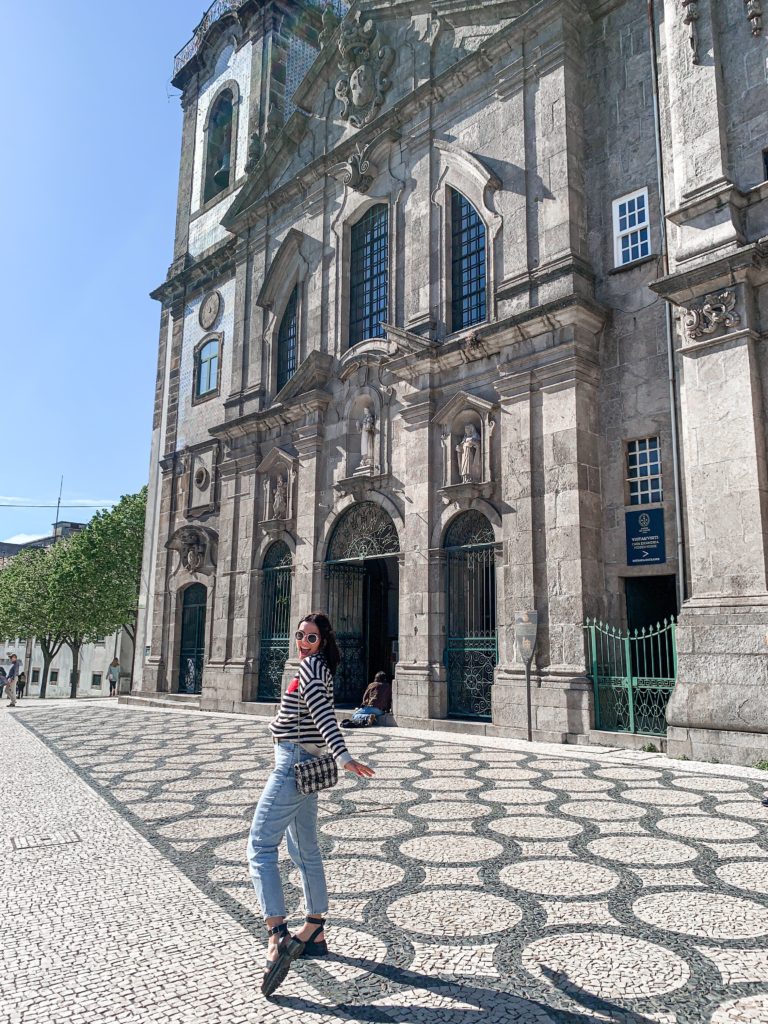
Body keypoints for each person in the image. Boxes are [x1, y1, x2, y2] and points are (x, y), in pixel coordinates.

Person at [247, 611, 374, 998]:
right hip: (305, 767)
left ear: (324, 641)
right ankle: (315, 928)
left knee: (260, 846)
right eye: (300, 635)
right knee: (305, 849)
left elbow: (322, 716)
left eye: (312, 637)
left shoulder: (312, 671)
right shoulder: (313, 667)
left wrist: (343, 755)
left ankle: (277, 934)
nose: (303, 642)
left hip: (293, 766)